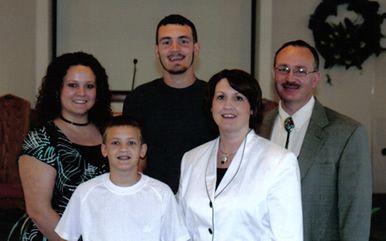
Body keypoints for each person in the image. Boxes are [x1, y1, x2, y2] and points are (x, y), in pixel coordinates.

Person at [258, 40, 372, 240]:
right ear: (274, 73)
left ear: (315, 78)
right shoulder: (255, 128)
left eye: (301, 71)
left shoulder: (348, 133)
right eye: (283, 69)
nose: (290, 78)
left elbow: (355, 216)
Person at [177, 69, 303, 240]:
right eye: (220, 97)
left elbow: (288, 236)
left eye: (238, 98)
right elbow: (180, 228)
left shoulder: (279, 161)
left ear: (252, 108)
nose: (228, 105)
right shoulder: (191, 159)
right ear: (211, 106)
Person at [18, 52, 112, 241]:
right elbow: (39, 211)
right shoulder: (41, 139)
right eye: (72, 85)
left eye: (89, 86)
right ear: (57, 90)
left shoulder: (110, 135)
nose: (81, 93)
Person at [55, 115, 190, 241]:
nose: (123, 149)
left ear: (142, 150)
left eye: (131, 143)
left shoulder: (161, 193)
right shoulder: (85, 192)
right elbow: (66, 236)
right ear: (104, 150)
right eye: (115, 143)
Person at [122, 14, 216, 193]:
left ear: (196, 48)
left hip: (204, 202)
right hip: (154, 201)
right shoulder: (139, 99)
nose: (175, 49)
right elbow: (134, 160)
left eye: (183, 41)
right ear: (157, 51)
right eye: (166, 42)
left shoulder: (214, 97)